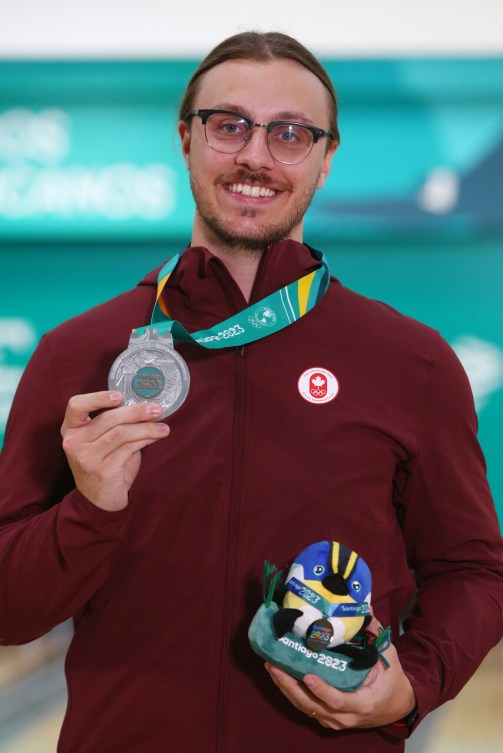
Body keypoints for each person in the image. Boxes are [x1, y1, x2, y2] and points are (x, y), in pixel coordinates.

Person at [0, 30, 502, 753]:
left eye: (289, 133)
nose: (255, 156)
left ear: (326, 160)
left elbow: (472, 571)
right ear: (186, 140)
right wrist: (90, 509)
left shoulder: (410, 362)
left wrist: (414, 680)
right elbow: (11, 612)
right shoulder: (77, 357)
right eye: (228, 125)